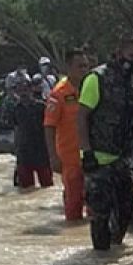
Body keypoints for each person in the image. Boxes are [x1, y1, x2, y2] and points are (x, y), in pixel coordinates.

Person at [77, 35, 133, 251]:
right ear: (118, 52)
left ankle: (115, 247)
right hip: (98, 158)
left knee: (127, 209)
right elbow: (81, 117)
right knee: (100, 214)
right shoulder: (97, 78)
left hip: (124, 159)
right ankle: (100, 257)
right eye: (131, 55)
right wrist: (86, 152)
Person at [44, 49, 90, 220]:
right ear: (69, 67)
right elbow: (49, 126)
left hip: (91, 155)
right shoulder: (58, 94)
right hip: (69, 158)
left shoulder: (91, 88)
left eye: (86, 66)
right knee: (74, 205)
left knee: (95, 204)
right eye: (80, 66)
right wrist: (53, 157)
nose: (84, 70)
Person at [4, 76, 53, 188]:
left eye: (25, 90)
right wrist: (16, 153)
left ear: (31, 90)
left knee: (47, 186)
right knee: (26, 190)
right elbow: (16, 130)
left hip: (41, 151)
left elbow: (50, 128)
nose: (23, 94)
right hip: (24, 153)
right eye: (20, 91)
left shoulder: (41, 107)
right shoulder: (15, 109)